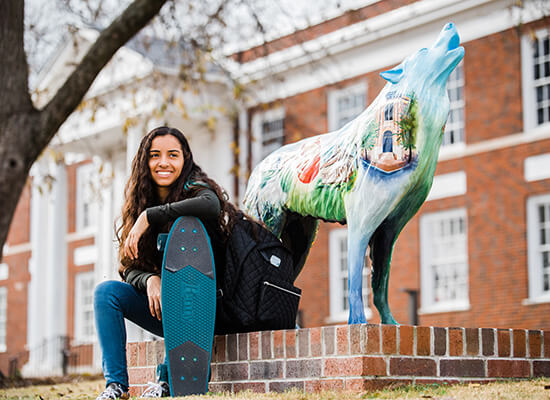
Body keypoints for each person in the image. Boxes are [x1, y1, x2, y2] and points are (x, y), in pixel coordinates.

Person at [93, 126, 239, 399]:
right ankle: (116, 386)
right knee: (106, 293)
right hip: (166, 308)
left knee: (185, 270)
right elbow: (128, 267)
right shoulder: (138, 203)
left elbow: (211, 205)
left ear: (185, 159)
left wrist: (151, 216)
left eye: (173, 155)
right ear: (144, 161)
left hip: (205, 307)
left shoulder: (195, 189)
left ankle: (167, 380)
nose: (163, 162)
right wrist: (150, 279)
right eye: (155, 155)